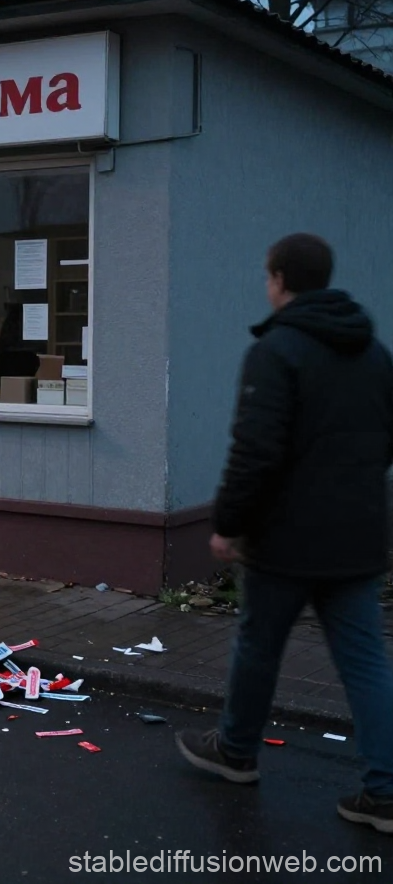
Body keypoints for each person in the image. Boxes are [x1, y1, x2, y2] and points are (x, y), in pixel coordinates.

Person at [176, 233, 393, 834]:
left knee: (259, 645)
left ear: (278, 279)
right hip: (357, 537)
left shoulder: (277, 351)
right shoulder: (374, 352)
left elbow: (255, 450)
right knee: (366, 663)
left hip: (287, 539)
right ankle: (386, 791)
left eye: (266, 277)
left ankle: (236, 752)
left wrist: (230, 523)